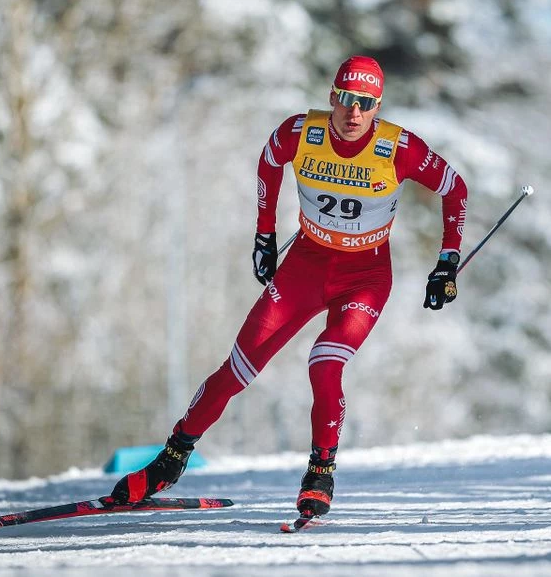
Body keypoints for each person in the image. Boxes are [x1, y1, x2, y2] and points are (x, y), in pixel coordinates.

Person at [111, 56, 468, 518]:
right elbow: (268, 160)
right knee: (236, 369)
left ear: (377, 106)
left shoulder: (398, 147)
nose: (353, 112)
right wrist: (265, 235)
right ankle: (170, 460)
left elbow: (454, 187)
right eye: (345, 99)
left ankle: (320, 473)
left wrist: (447, 260)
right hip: (305, 266)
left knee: (324, 362)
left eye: (365, 103)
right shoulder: (302, 133)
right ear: (332, 97)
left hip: (364, 277)